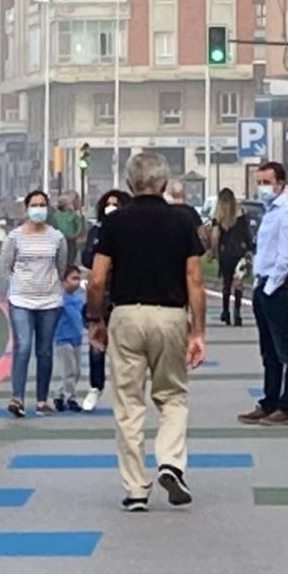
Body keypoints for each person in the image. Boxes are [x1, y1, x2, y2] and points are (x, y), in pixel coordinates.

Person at [87, 153, 206, 512]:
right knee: (173, 396)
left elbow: (97, 279)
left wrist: (95, 319)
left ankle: (136, 488)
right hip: (170, 315)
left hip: (126, 314)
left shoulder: (114, 222)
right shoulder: (182, 220)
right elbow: (194, 279)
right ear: (164, 183)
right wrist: (197, 331)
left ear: (129, 183)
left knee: (128, 404)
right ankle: (170, 462)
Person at [237, 163, 288, 427]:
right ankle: (270, 401)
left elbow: (287, 257)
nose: (262, 187)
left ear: (280, 183)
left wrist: (269, 288)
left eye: (267, 182)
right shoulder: (270, 211)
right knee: (269, 351)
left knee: (287, 349)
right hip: (264, 283)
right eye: (259, 182)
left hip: (279, 287)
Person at [2, 189, 68, 417]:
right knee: (23, 346)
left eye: (42, 205)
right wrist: (15, 287)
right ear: (27, 208)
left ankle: (41, 400)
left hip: (49, 301)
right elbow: (7, 267)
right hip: (21, 299)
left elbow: (61, 266)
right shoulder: (14, 237)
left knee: (45, 350)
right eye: (34, 205)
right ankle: (17, 398)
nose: (38, 209)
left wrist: (53, 287)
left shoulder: (57, 238)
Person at [79, 189, 131, 411]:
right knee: (97, 344)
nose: (111, 208)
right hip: (101, 294)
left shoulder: (132, 232)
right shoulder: (97, 231)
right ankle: (95, 386)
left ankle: (124, 391)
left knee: (124, 347)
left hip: (124, 295)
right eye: (108, 204)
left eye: (116, 204)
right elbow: (87, 259)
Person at [212, 188, 251, 327]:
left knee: (226, 283)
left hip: (225, 253)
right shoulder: (241, 214)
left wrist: (214, 252)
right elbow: (247, 234)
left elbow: (215, 236)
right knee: (238, 283)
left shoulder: (218, 217)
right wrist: (249, 248)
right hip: (239, 252)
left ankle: (225, 311)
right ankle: (237, 312)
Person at [53, 265, 86, 413]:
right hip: (63, 338)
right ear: (64, 281)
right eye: (73, 278)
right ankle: (70, 398)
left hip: (76, 338)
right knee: (69, 371)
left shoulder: (79, 299)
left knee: (76, 371)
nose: (76, 282)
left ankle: (59, 394)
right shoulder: (59, 300)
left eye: (78, 279)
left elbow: (81, 317)